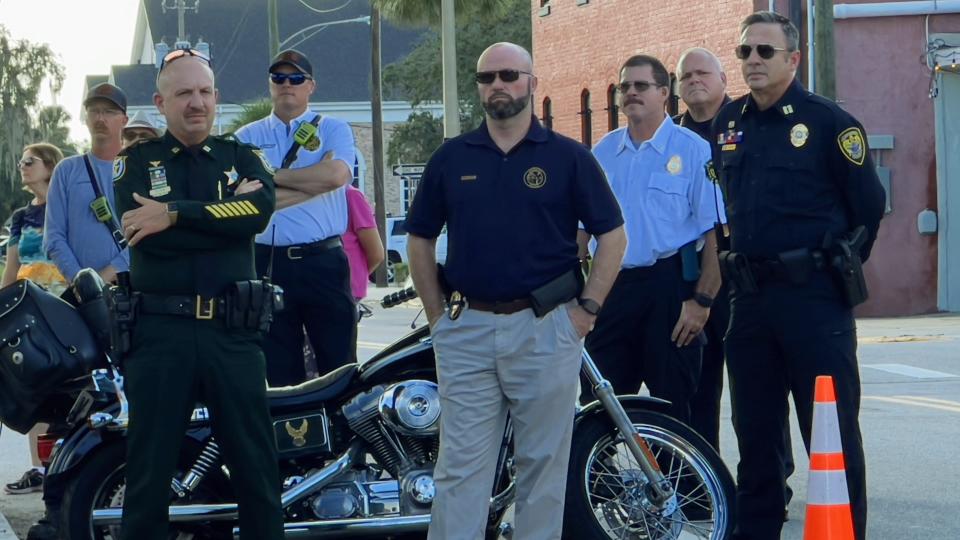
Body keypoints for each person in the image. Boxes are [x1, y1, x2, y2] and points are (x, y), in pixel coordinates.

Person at [406, 42, 626, 540]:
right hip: (468, 331)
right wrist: (437, 316)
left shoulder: (569, 158)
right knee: (460, 471)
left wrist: (585, 312)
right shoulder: (452, 158)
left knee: (542, 472)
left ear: (531, 82)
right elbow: (420, 237)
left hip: (547, 329)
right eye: (487, 78)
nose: (498, 85)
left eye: (509, 75)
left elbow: (613, 236)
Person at [712, 11, 885, 540]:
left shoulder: (830, 123)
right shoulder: (729, 123)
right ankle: (757, 530)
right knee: (755, 430)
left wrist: (831, 269)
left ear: (793, 58)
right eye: (744, 52)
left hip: (813, 300)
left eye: (764, 51)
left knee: (829, 429)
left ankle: (842, 531)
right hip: (751, 300)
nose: (753, 61)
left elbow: (868, 209)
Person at [112, 50, 283, 540]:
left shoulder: (241, 156)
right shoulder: (135, 163)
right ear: (160, 102)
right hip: (160, 335)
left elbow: (258, 213)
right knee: (147, 476)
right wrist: (220, 213)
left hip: (233, 334)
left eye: (205, 92)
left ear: (216, 98)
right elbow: (149, 238)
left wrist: (174, 213)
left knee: (256, 470)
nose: (196, 103)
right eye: (184, 93)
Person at [585, 54, 723, 424]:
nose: (630, 92)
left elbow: (717, 236)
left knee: (677, 408)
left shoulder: (693, 150)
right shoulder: (603, 153)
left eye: (640, 85)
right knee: (598, 405)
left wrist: (701, 302)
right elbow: (579, 233)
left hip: (670, 287)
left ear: (665, 92)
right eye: (624, 87)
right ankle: (604, 484)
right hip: (613, 289)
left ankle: (683, 483)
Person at [236, 49, 357, 387]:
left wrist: (268, 176)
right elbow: (242, 199)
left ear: (311, 86)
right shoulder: (246, 137)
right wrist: (312, 182)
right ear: (270, 84)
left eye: (296, 78)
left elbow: (335, 176)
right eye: (279, 78)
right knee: (278, 372)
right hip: (268, 262)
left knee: (339, 367)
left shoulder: (334, 128)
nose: (287, 84)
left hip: (324, 262)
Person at [1, 143, 65, 496]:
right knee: (32, 384)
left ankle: (63, 465)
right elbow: (11, 269)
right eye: (20, 160)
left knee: (65, 386)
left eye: (30, 161)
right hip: (27, 311)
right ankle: (38, 469)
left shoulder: (64, 206)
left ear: (50, 167)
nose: (22, 166)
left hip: (62, 306)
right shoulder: (21, 217)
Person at [44, 83, 130, 285]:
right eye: (94, 111)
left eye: (109, 112)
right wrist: (81, 280)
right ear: (86, 118)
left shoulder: (137, 169)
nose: (100, 118)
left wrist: (111, 271)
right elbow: (54, 237)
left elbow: (149, 236)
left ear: (124, 120)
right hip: (81, 293)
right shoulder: (66, 171)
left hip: (132, 287)